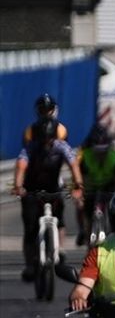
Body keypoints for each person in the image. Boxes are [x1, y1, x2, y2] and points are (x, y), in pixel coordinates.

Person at [11, 120, 84, 281]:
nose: (47, 142)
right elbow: (21, 166)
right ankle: (30, 264)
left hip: (53, 188)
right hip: (31, 189)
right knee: (30, 228)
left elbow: (73, 165)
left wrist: (77, 185)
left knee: (59, 219)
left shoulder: (62, 147)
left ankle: (59, 249)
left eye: (50, 138)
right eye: (43, 138)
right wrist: (18, 187)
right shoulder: (30, 148)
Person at [76, 126, 115, 245]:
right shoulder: (85, 157)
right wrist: (81, 196)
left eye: (104, 151)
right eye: (97, 151)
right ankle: (83, 231)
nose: (101, 154)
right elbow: (80, 180)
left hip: (109, 185)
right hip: (90, 186)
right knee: (81, 207)